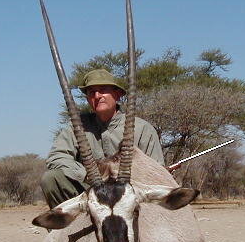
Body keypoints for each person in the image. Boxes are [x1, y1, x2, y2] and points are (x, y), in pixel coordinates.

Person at [41, 68, 164, 208]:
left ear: (117, 95)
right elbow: (56, 157)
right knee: (51, 178)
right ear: (88, 99)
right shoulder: (77, 126)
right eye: (91, 92)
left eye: (103, 90)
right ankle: (70, 229)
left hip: (130, 197)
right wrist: (87, 175)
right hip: (91, 192)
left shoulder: (143, 129)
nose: (97, 95)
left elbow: (157, 171)